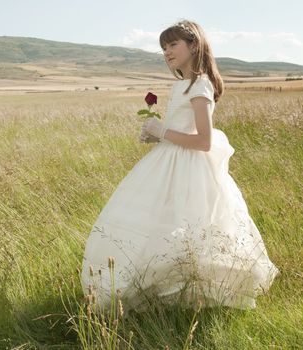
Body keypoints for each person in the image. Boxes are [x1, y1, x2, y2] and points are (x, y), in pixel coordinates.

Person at [80, 19, 280, 314]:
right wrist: (157, 136)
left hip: (192, 168)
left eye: (173, 44)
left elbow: (203, 141)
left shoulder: (201, 85)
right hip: (169, 162)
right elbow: (180, 132)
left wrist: (163, 132)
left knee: (190, 228)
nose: (167, 52)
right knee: (162, 226)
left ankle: (190, 294)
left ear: (194, 45)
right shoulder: (181, 85)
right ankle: (163, 292)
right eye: (163, 47)